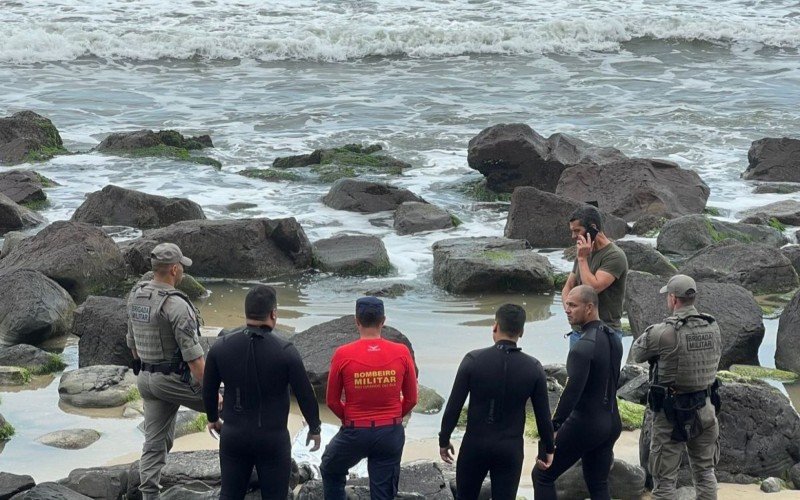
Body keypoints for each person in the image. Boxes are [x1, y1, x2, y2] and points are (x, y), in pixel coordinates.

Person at [203, 285, 322, 499]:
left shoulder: (220, 347)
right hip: (272, 438)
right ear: (273, 314)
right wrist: (315, 427)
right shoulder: (285, 350)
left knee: (230, 494)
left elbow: (208, 388)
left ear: (247, 313)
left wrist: (212, 418)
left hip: (233, 436)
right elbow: (305, 394)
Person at [438, 304, 555, 500]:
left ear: (495, 326)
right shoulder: (533, 368)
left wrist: (444, 439)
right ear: (522, 332)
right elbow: (543, 416)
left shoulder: (473, 360)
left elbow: (454, 406)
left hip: (475, 446)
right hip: (510, 449)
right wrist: (547, 449)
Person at [126, 242, 209, 500]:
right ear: (174, 269)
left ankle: (149, 495)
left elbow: (132, 344)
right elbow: (195, 360)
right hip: (171, 380)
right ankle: (245, 473)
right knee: (233, 408)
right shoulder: (177, 306)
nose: (182, 270)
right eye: (181, 266)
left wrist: (148, 365)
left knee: (155, 442)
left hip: (145, 380)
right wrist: (213, 397)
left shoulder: (136, 295)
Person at [631, 275, 722, 500]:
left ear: (673, 299)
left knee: (664, 482)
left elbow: (637, 353)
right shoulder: (713, 325)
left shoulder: (664, 332)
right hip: (706, 408)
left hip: (671, 413)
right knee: (705, 474)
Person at [321, 297, 418, 500]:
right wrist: (391, 418)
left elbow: (332, 401)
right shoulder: (401, 351)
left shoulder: (342, 353)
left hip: (355, 430)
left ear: (357, 321)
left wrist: (349, 418)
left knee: (330, 467)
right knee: (383, 493)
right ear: (383, 321)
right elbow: (411, 399)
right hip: (390, 433)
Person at [533, 285, 623, 500]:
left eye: (573, 305)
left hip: (587, 423)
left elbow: (572, 392)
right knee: (597, 483)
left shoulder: (583, 346)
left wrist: (553, 428)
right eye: (566, 305)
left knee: (542, 475)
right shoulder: (613, 339)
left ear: (589, 307)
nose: (567, 310)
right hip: (611, 422)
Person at [561, 206, 628, 347]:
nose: (573, 236)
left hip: (605, 332)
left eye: (577, 231)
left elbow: (592, 289)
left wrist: (582, 259)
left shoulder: (614, 256)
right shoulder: (583, 252)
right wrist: (570, 309)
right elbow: (569, 286)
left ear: (593, 227)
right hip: (578, 332)